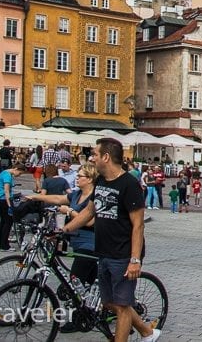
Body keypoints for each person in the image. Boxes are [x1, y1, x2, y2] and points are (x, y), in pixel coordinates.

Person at [64, 138, 160, 342]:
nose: (92, 158)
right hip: (104, 250)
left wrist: (135, 260)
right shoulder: (100, 181)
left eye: (95, 154)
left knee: (123, 306)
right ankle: (147, 332)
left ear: (106, 157)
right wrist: (65, 229)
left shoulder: (129, 184)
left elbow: (138, 225)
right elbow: (89, 211)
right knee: (109, 302)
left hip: (123, 254)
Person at [0, 156, 26, 251]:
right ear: (16, 169)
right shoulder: (8, 176)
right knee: (8, 223)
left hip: (0, 198)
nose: (19, 175)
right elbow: (7, 190)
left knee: (3, 222)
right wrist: (9, 205)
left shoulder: (4, 173)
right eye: (19, 173)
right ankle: (5, 245)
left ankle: (2, 244)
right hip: (4, 200)